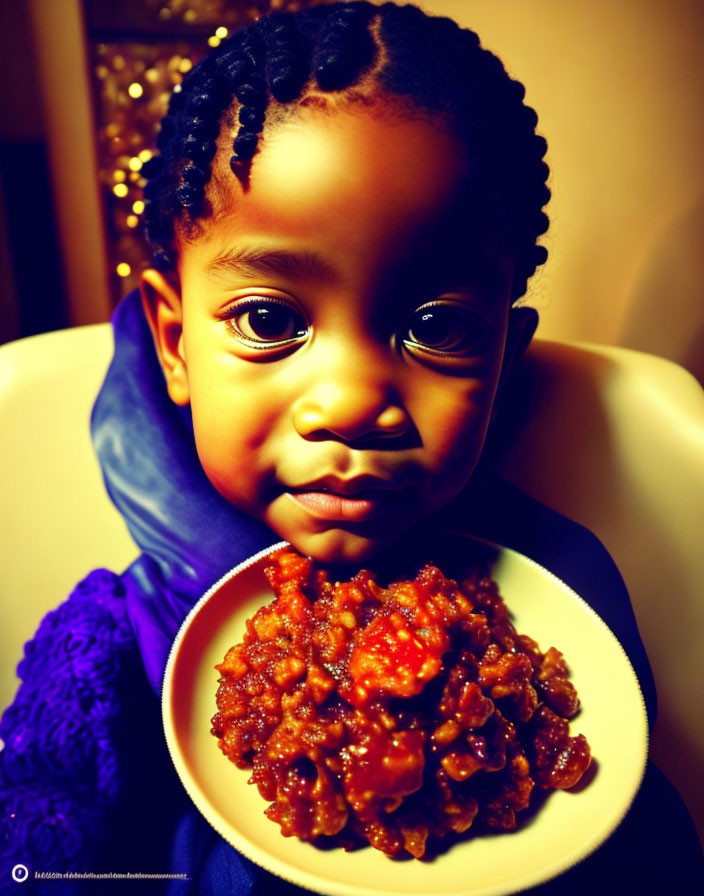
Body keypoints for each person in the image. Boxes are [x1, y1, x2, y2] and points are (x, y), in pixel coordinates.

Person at [1, 3, 701, 893]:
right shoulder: (123, 631)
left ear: (502, 357)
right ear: (176, 346)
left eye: (436, 327)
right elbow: (37, 830)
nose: (351, 404)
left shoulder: (563, 609)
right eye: (269, 320)